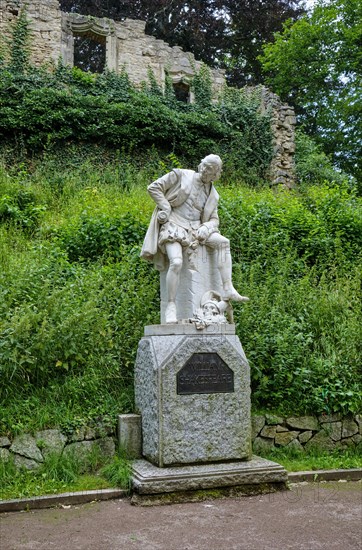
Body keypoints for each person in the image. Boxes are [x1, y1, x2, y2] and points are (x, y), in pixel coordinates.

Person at [141, 154, 248, 323]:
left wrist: (207, 227)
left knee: (223, 243)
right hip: (175, 224)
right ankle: (171, 305)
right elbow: (153, 188)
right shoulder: (180, 175)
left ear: (216, 175)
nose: (206, 172)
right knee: (176, 262)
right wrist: (165, 207)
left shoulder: (213, 194)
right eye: (205, 167)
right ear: (200, 165)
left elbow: (214, 220)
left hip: (197, 229)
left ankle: (227, 287)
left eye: (211, 171)